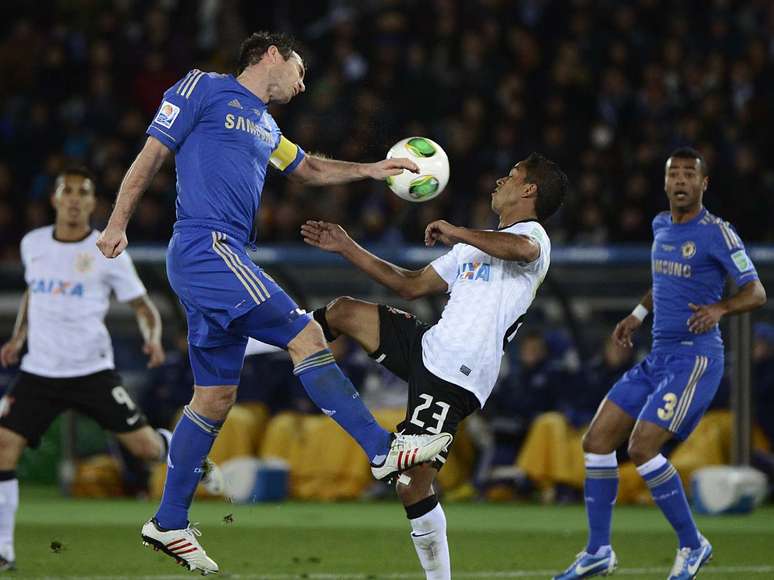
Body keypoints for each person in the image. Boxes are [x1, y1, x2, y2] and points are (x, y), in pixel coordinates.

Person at [95, 31, 451, 574]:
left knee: (214, 397)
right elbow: (151, 154)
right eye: (300, 69)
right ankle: (383, 451)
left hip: (221, 256)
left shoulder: (266, 125)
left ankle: (168, 521)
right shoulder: (205, 88)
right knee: (305, 333)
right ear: (270, 55)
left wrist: (374, 169)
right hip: (205, 246)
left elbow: (307, 169)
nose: (303, 83)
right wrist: (117, 221)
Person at [302, 152, 569, 580]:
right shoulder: (471, 248)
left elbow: (522, 249)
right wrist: (346, 247)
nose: (501, 180)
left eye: (511, 175)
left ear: (530, 189)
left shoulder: (532, 236)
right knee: (344, 312)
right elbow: (409, 285)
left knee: (411, 485)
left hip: (458, 374)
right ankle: (272, 339)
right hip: (430, 346)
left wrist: (458, 231)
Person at [553, 147, 767, 580]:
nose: (682, 181)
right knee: (596, 442)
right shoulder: (660, 225)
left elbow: (756, 292)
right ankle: (598, 551)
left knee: (642, 447)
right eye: (675, 174)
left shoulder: (718, 233)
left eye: (690, 174)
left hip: (695, 359)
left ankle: (693, 544)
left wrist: (721, 310)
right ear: (666, 183)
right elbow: (662, 281)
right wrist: (637, 315)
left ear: (704, 184)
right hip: (658, 356)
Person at [0, 167, 201, 572]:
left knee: (144, 450)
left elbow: (143, 307)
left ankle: (182, 452)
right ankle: (4, 549)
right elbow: (33, 292)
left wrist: (151, 337)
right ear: (55, 199)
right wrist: (19, 338)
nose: (74, 199)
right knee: (3, 450)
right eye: (67, 191)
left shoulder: (106, 248)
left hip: (92, 372)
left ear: (93, 203)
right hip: (39, 373)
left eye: (83, 193)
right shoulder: (33, 244)